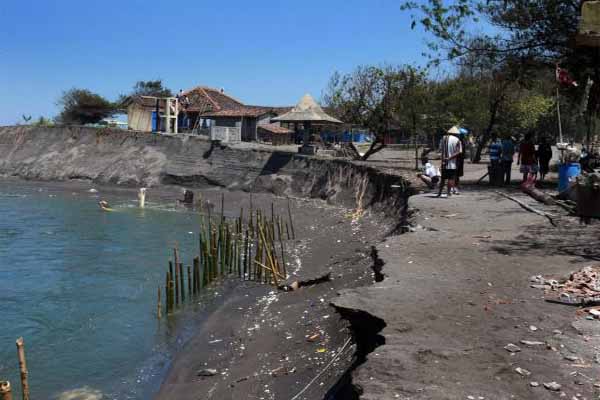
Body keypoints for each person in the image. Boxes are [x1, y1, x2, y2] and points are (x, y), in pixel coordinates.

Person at [437, 129, 463, 198]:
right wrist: (450, 158)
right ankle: (448, 193)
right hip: (452, 163)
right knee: (451, 178)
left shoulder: (443, 138)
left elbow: (439, 149)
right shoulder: (457, 140)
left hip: (444, 163)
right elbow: (459, 151)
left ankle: (439, 193)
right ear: (456, 134)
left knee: (443, 179)